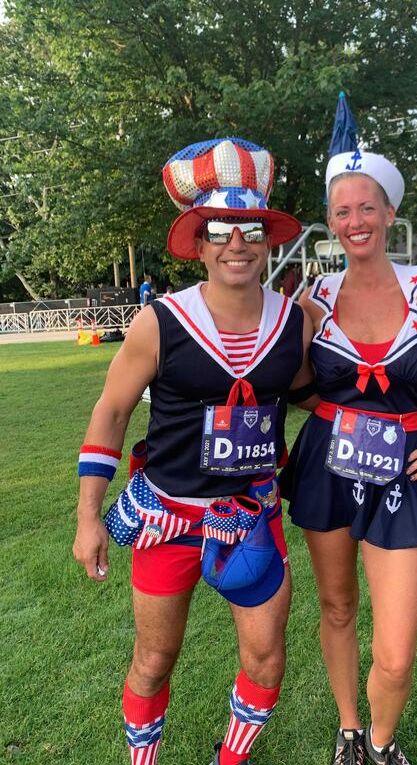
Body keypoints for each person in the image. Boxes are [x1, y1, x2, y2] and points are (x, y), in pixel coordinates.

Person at [73, 137, 314, 765]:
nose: (237, 242)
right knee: (153, 660)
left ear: (266, 242)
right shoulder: (161, 321)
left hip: (251, 516)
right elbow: (113, 411)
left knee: (266, 657)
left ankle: (229, 761)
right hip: (169, 517)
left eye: (250, 230)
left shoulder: (296, 322)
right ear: (200, 243)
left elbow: (312, 391)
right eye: (221, 229)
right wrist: (87, 516)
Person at [280, 150, 417, 765]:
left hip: (402, 470)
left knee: (398, 654)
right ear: (331, 219)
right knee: (338, 606)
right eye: (341, 211)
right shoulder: (314, 297)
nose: (355, 221)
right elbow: (285, 381)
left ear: (389, 213)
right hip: (326, 463)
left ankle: (383, 739)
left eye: (366, 208)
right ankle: (352, 731)